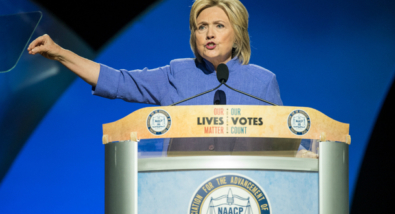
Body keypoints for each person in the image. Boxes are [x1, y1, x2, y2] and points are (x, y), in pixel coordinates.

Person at [27, 0, 316, 158]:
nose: (210, 34)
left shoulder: (262, 82)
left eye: (219, 25)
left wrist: (304, 155)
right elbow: (118, 81)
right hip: (180, 195)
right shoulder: (177, 75)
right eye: (201, 27)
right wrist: (60, 53)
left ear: (237, 34)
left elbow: (285, 141)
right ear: (194, 36)